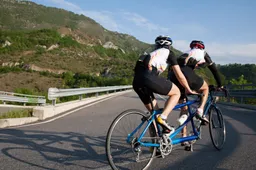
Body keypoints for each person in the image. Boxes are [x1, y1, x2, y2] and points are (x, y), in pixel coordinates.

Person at [132, 35, 197, 135]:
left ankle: (155, 145)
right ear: (169, 46)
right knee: (176, 93)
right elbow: (179, 75)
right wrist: (188, 89)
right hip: (149, 77)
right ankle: (163, 117)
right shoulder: (169, 53)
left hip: (136, 81)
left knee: (154, 113)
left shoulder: (151, 54)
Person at [168, 40, 222, 143]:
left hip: (174, 77)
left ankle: (183, 137)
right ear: (202, 47)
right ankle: (200, 111)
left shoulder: (186, 52)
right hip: (186, 74)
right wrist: (220, 85)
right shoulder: (203, 53)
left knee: (184, 108)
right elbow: (214, 70)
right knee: (205, 88)